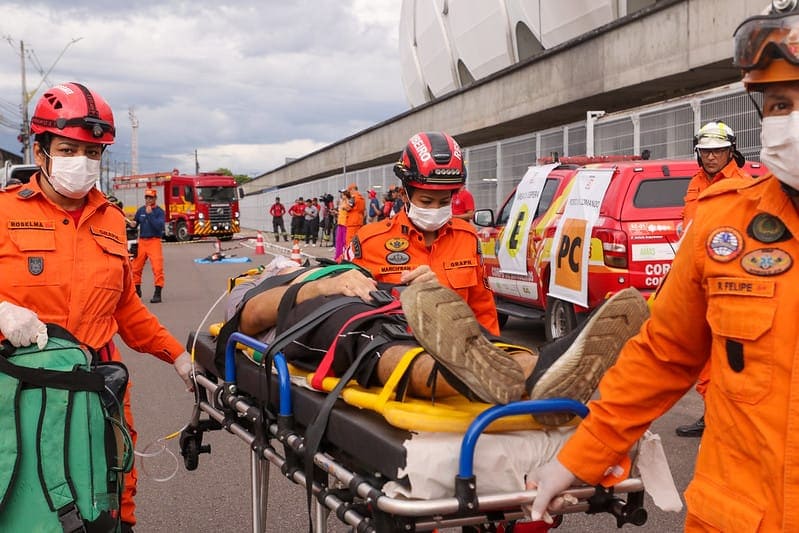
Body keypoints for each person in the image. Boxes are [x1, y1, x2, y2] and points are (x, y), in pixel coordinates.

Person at [527, 7, 799, 529]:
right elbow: (664, 354)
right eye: (780, 104)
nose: (789, 119)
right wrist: (576, 459)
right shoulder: (726, 219)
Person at [0, 82, 194, 532]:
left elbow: (126, 308)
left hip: (95, 388)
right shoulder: (5, 212)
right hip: (19, 390)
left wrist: (178, 357)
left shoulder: (110, 219)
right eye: (69, 149)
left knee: (110, 492)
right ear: (41, 148)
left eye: (93, 153)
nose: (82, 163)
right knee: (23, 500)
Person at [227, 254, 648, 412]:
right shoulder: (257, 282)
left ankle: (537, 368)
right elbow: (248, 320)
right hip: (314, 318)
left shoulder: (339, 265)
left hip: (375, 300)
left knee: (424, 330)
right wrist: (316, 286)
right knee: (371, 344)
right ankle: (492, 378)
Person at [343, 131, 499, 335]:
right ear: (404, 195)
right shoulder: (369, 240)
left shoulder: (467, 238)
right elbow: (344, 306)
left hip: (456, 355)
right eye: (426, 201)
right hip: (394, 356)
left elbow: (483, 311)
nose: (435, 209)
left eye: (444, 202)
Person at [674, 121, 752, 438]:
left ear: (730, 151)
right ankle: (712, 416)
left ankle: (724, 420)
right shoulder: (695, 182)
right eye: (705, 151)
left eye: (717, 151)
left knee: (725, 354)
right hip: (694, 277)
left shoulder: (743, 183)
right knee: (703, 351)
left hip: (725, 278)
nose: (711, 157)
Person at [130, 188, 166, 303]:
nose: (148, 199)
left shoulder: (159, 212)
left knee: (157, 268)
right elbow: (135, 223)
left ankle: (157, 293)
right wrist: (133, 224)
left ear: (155, 199)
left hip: (154, 241)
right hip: (142, 242)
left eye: (151, 197)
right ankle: (137, 290)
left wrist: (150, 215)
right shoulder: (140, 210)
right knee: (135, 267)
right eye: (147, 197)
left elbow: (159, 227)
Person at [344, 182, 366, 248]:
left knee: (350, 241)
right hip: (359, 221)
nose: (349, 192)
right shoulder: (362, 198)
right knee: (358, 240)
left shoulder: (353, 198)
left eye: (350, 190)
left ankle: (350, 256)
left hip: (352, 222)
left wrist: (344, 207)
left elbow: (348, 208)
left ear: (352, 189)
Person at [334, 188, 351, 260]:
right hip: (340, 222)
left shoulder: (348, 201)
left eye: (343, 194)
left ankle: (344, 255)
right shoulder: (342, 202)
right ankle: (338, 256)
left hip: (345, 223)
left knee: (344, 241)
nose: (341, 195)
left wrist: (345, 207)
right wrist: (336, 213)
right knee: (338, 240)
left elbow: (349, 209)